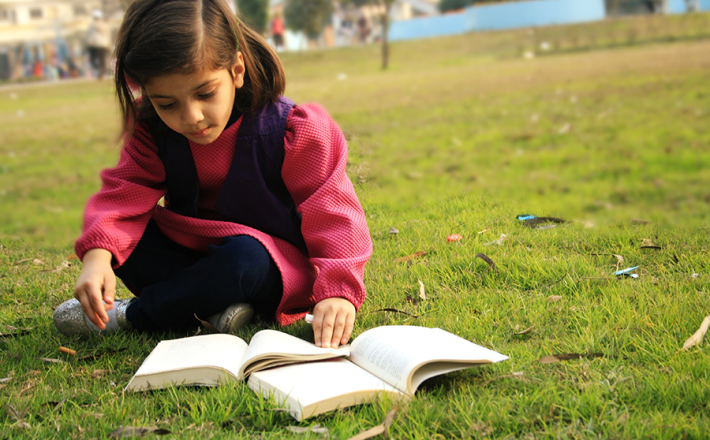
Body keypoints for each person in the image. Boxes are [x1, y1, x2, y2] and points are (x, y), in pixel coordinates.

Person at [53, 0, 372, 350]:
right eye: (167, 103)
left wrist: (338, 291)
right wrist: (98, 254)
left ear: (236, 70)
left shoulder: (292, 130)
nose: (191, 117)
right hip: (198, 255)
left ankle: (136, 315)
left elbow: (332, 211)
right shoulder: (153, 133)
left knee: (241, 261)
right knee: (123, 242)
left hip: (268, 266)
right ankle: (215, 307)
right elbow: (125, 193)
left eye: (205, 93)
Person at [85, 10, 111, 79]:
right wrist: (109, 45)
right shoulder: (105, 25)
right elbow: (108, 35)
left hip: (94, 45)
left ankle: (99, 69)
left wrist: (88, 44)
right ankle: (101, 70)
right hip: (103, 45)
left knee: (92, 59)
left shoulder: (91, 25)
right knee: (102, 60)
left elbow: (89, 36)